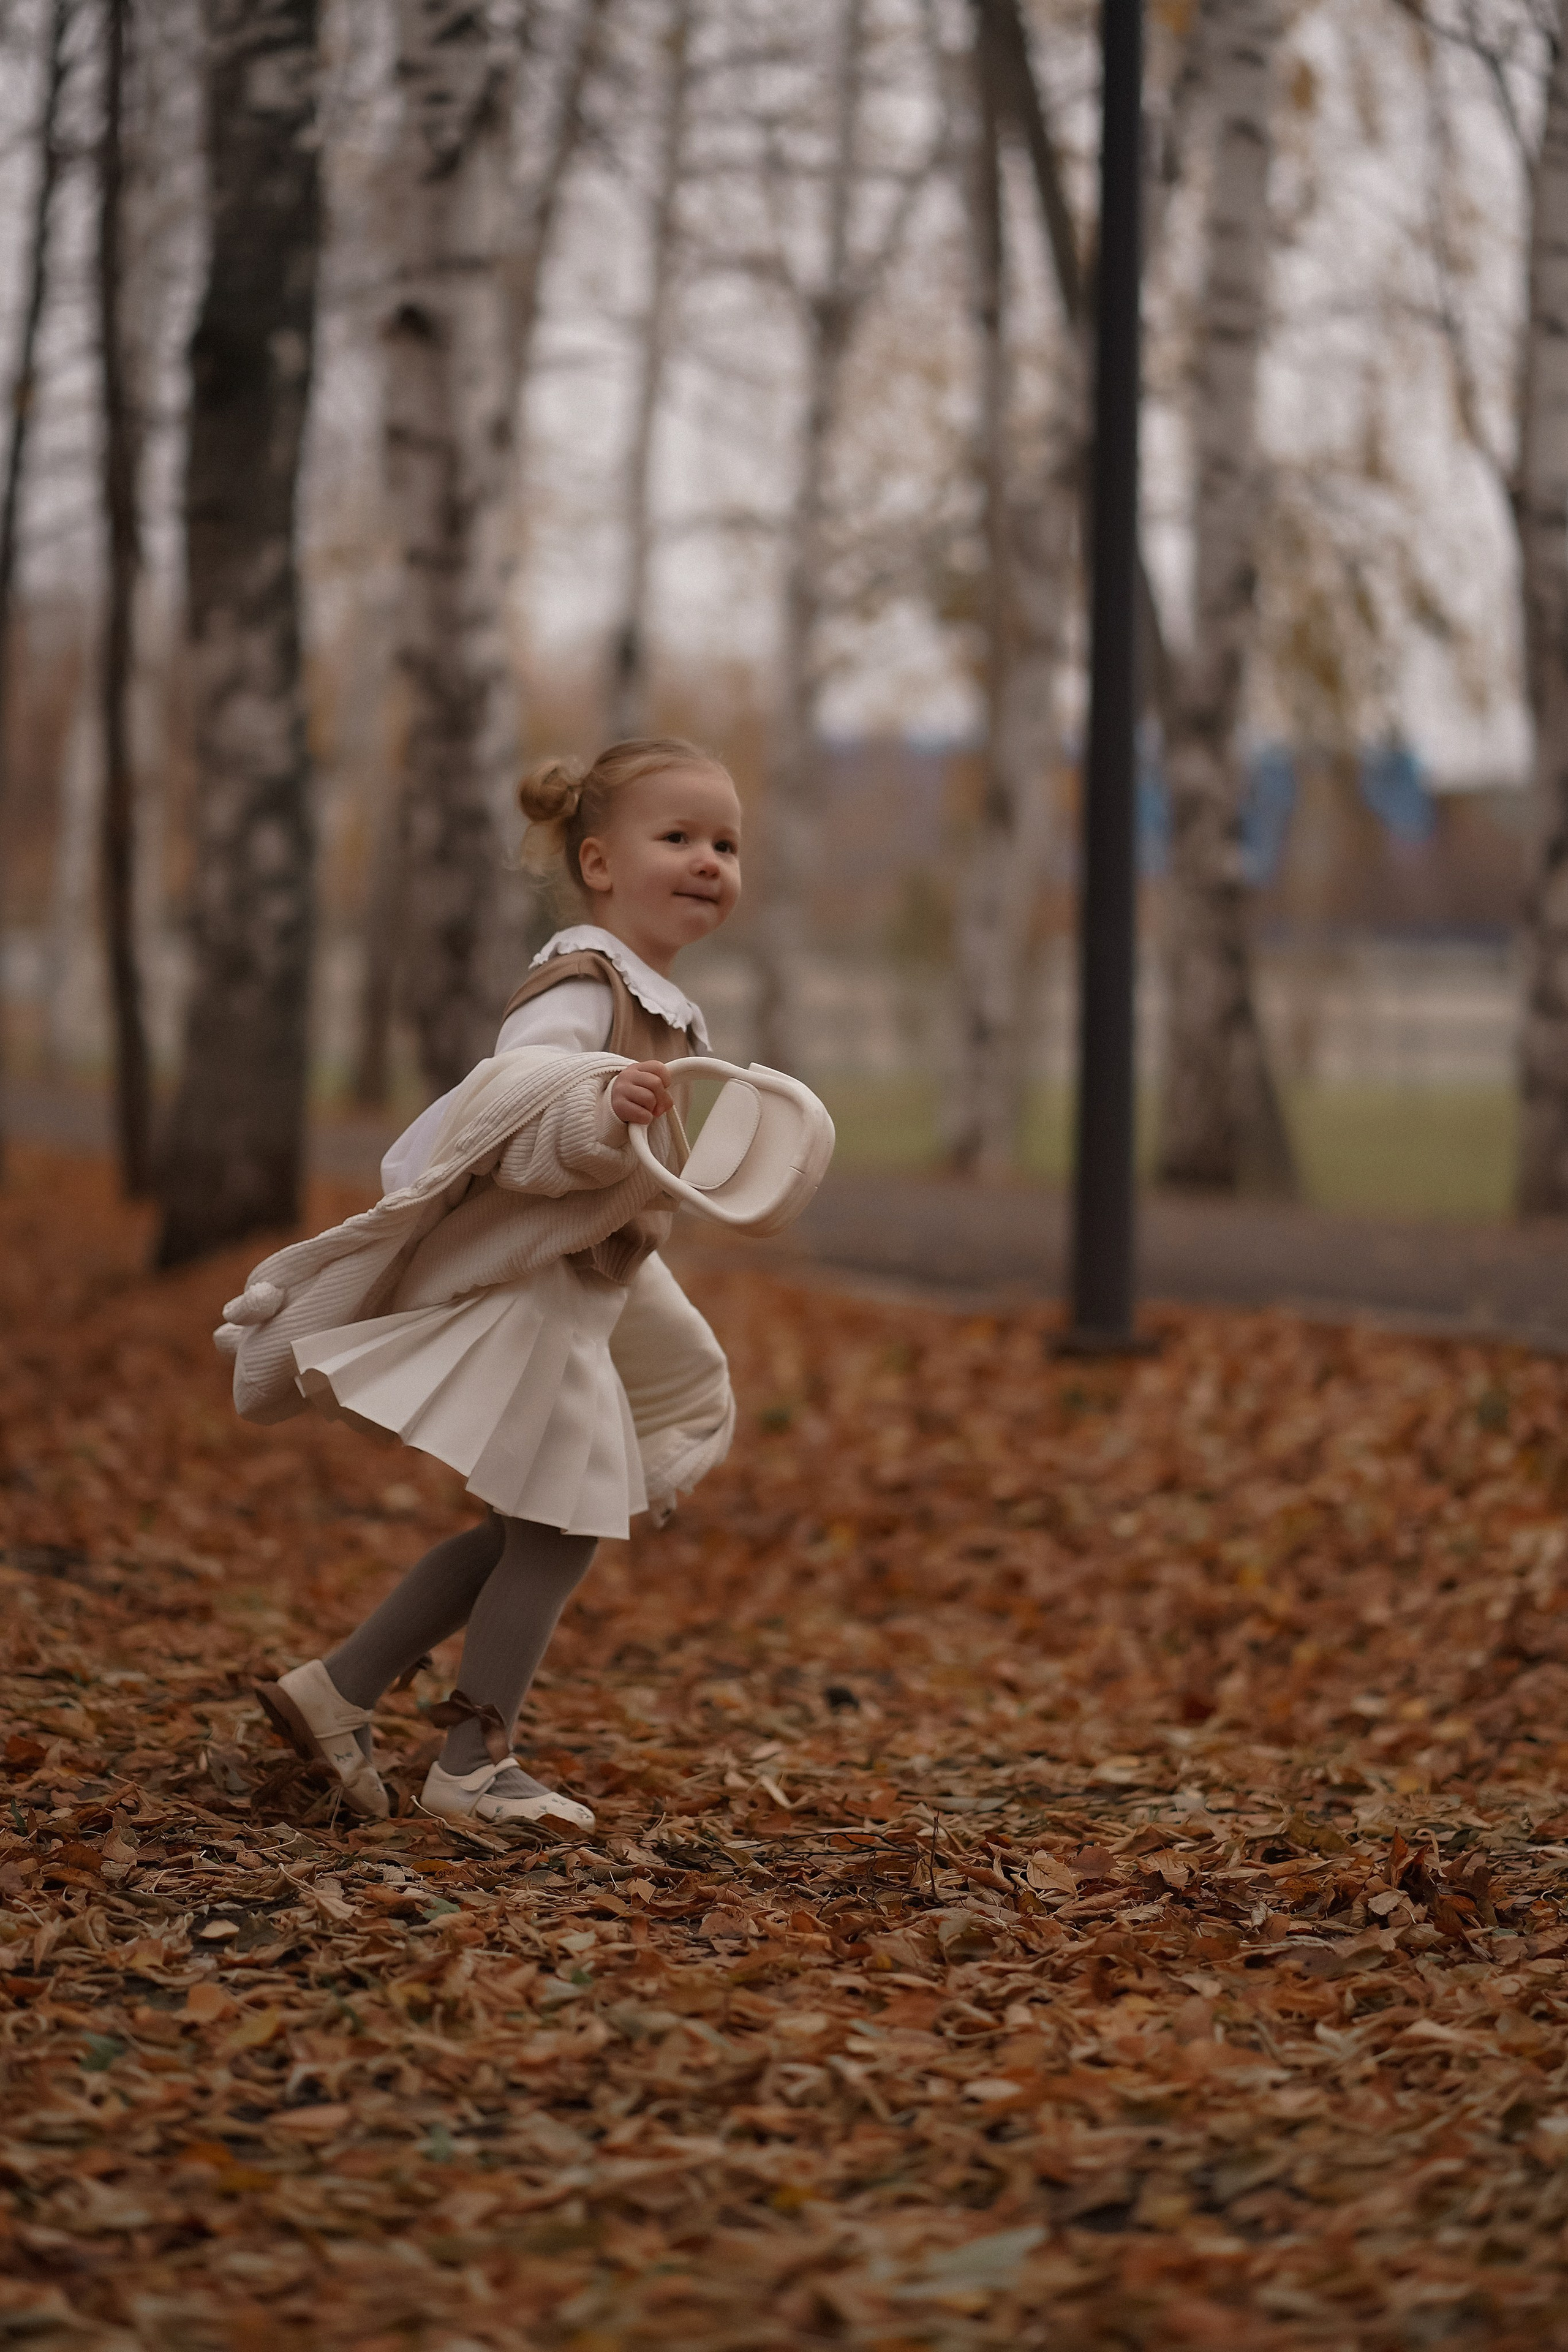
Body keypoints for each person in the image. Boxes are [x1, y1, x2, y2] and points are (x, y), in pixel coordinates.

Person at [241, 737, 744, 1836]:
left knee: (527, 1529)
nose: (709, 860)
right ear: (601, 862)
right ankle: (476, 1764)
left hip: (578, 1294)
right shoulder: (579, 983)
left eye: (725, 843)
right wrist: (593, 1107)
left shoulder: (657, 1001)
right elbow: (513, 1095)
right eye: (680, 838)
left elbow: (632, 1194)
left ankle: (340, 1689)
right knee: (560, 1529)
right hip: (530, 1302)